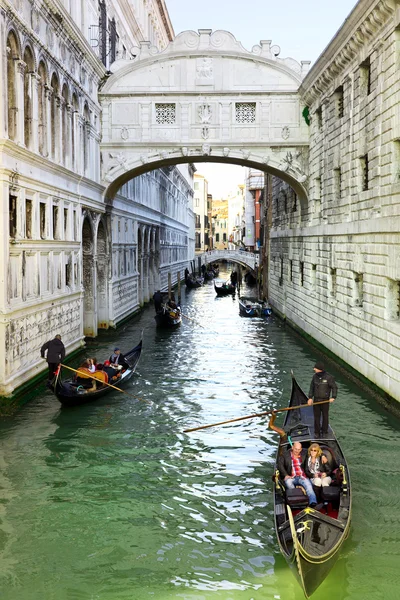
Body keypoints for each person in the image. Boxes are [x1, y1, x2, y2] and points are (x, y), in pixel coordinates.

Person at [278, 441, 318, 507]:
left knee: (309, 487)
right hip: (291, 477)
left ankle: (313, 502)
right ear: (292, 447)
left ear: (301, 449)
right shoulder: (285, 455)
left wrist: (323, 456)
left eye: (299, 449)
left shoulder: (304, 453)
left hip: (302, 476)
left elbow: (316, 451)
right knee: (288, 482)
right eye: (296, 449)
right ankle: (296, 500)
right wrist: (285, 475)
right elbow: (280, 465)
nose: (297, 451)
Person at [308, 362, 337, 436]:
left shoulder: (328, 377)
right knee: (316, 417)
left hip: (325, 400)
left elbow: (334, 387)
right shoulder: (314, 377)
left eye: (315, 368)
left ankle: (324, 431)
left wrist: (333, 397)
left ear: (319, 369)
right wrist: (310, 398)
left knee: (325, 416)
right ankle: (317, 432)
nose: (314, 369)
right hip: (316, 400)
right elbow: (312, 387)